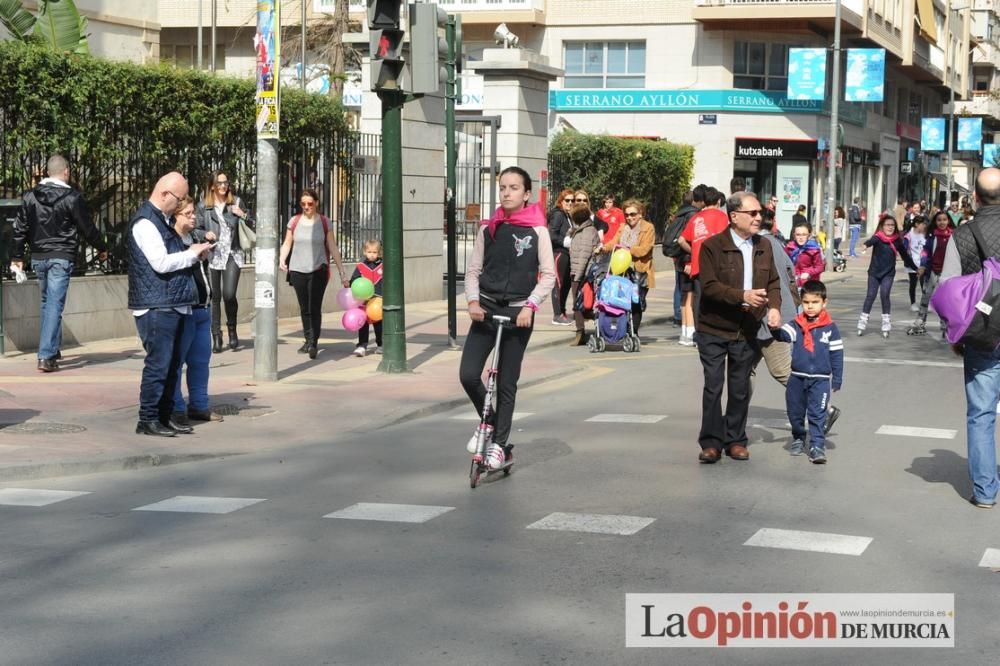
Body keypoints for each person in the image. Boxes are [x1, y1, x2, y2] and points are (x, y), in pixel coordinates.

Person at [460, 166, 555, 466]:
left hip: (518, 312)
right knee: (469, 374)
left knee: (506, 381)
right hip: (485, 309)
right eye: (503, 187)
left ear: (527, 194)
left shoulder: (538, 230)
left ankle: (500, 444)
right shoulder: (489, 228)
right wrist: (473, 301)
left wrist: (530, 306)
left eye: (514, 188)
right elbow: (473, 271)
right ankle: (488, 421)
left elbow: (549, 275)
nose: (506, 192)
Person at [695, 191, 781, 464]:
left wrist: (775, 308)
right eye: (753, 213)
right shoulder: (712, 246)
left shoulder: (764, 246)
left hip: (746, 329)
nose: (759, 218)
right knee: (714, 385)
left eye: (761, 213)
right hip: (714, 327)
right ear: (734, 217)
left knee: (740, 386)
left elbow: (774, 282)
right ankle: (710, 442)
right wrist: (742, 296)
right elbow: (708, 288)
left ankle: (735, 440)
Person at [128, 172, 213, 437]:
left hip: (172, 302)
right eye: (176, 200)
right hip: (156, 305)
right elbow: (161, 263)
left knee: (172, 365)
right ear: (164, 194)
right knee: (158, 365)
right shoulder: (145, 223)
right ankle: (148, 419)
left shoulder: (162, 221)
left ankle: (164, 417)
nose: (178, 206)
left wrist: (194, 253)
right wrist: (190, 254)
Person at [11, 154, 108, 372]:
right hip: (61, 257)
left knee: (48, 303)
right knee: (54, 304)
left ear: (47, 172)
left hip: (39, 257)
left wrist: (17, 257)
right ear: (66, 172)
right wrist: (102, 247)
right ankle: (45, 356)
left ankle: (52, 349)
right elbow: (87, 227)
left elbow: (20, 229)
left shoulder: (30, 197)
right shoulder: (72, 197)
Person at [939, 168, 1000, 508]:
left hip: (983, 335)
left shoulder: (962, 235)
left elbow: (947, 288)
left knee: (981, 415)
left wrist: (955, 333)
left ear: (974, 197)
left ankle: (986, 492)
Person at [770, 280, 844, 464]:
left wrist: (837, 378)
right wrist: (774, 328)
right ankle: (798, 437)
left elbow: (837, 354)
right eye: (806, 302)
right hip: (797, 378)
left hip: (820, 380)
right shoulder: (796, 324)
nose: (810, 306)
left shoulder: (830, 328)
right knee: (795, 413)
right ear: (802, 303)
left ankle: (817, 446)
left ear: (824, 303)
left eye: (815, 302)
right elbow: (783, 336)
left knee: (817, 413)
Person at [279, 189, 350, 360]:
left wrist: (342, 272)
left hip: (319, 269)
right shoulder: (294, 221)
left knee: (314, 306)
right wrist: (282, 259)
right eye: (303, 204)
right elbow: (287, 243)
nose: (306, 207)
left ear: (316, 203)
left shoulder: (324, 222)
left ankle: (313, 342)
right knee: (304, 307)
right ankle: (307, 338)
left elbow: (332, 247)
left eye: (310, 204)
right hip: (297, 270)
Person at [170, 196, 222, 425]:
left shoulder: (193, 237)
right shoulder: (171, 241)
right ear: (175, 215)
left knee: (200, 361)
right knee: (177, 361)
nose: (194, 217)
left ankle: (199, 405)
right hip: (184, 309)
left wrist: (202, 255)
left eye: (194, 213)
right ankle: (176, 407)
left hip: (203, 307)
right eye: (188, 214)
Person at [196, 170, 255, 353]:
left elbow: (253, 223)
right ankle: (216, 336)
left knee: (229, 294)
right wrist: (204, 234)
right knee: (215, 297)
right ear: (212, 185)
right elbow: (195, 229)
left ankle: (232, 330)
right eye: (219, 183)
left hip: (232, 253)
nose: (223, 186)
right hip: (213, 255)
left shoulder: (236, 202)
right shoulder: (203, 206)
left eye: (225, 183)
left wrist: (242, 214)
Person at [677, 186, 729, 347]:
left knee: (699, 300)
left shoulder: (696, 218)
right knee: (720, 297)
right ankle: (718, 331)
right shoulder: (723, 217)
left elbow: (681, 240)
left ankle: (700, 334)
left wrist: (694, 250)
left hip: (699, 266)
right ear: (719, 201)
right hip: (718, 265)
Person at [856, 215, 917, 338]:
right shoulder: (878, 237)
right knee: (871, 296)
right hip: (874, 272)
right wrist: (865, 245)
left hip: (888, 273)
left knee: (885, 295)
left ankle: (886, 322)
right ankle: (863, 321)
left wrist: (915, 268)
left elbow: (905, 256)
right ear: (882, 226)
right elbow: (870, 242)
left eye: (892, 225)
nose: (890, 227)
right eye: (887, 225)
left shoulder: (897, 240)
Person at [602, 198, 655, 332]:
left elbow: (644, 249)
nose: (629, 217)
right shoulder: (622, 227)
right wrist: (603, 248)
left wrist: (626, 249)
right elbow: (614, 242)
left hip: (639, 271)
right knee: (620, 301)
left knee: (635, 302)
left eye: (633, 214)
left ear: (640, 214)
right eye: (626, 215)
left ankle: (634, 332)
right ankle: (622, 329)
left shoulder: (648, 228)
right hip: (622, 270)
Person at [908, 210, 955, 336]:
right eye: (939, 220)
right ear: (935, 222)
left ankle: (945, 325)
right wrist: (923, 265)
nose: (942, 222)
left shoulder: (954, 236)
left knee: (945, 300)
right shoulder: (931, 236)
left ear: (949, 221)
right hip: (932, 271)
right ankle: (920, 322)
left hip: (948, 272)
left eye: (944, 220)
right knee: (926, 296)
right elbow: (925, 252)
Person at [667, 189, 701, 326]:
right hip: (686, 256)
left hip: (677, 255)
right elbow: (687, 238)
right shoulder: (692, 214)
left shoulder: (678, 213)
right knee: (688, 290)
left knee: (679, 286)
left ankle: (677, 315)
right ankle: (685, 320)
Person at [568, 203, 600, 345]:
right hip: (578, 271)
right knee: (583, 303)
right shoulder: (582, 229)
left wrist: (578, 276)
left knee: (579, 304)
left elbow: (584, 255)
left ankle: (580, 333)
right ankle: (585, 329)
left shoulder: (587, 231)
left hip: (582, 273)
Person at [351, 239, 384, 357]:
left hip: (377, 301)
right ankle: (362, 345)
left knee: (379, 324)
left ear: (379, 253)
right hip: (363, 300)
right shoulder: (360, 267)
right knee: (363, 323)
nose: (372, 254)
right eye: (369, 252)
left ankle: (381, 344)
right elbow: (354, 280)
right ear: (365, 252)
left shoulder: (382, 266)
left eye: (375, 252)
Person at [547, 188, 574, 326]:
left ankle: (562, 312)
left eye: (572, 200)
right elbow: (552, 234)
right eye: (567, 200)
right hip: (559, 253)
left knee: (565, 285)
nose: (570, 203)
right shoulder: (558, 214)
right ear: (561, 201)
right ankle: (557, 315)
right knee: (558, 284)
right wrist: (564, 241)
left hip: (566, 253)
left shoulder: (568, 215)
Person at [903, 216, 929, 312]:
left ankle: (925, 303)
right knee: (913, 284)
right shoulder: (908, 236)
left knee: (925, 284)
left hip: (923, 263)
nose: (924, 226)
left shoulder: (925, 234)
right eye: (923, 224)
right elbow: (905, 250)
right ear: (917, 224)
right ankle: (913, 303)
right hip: (912, 264)